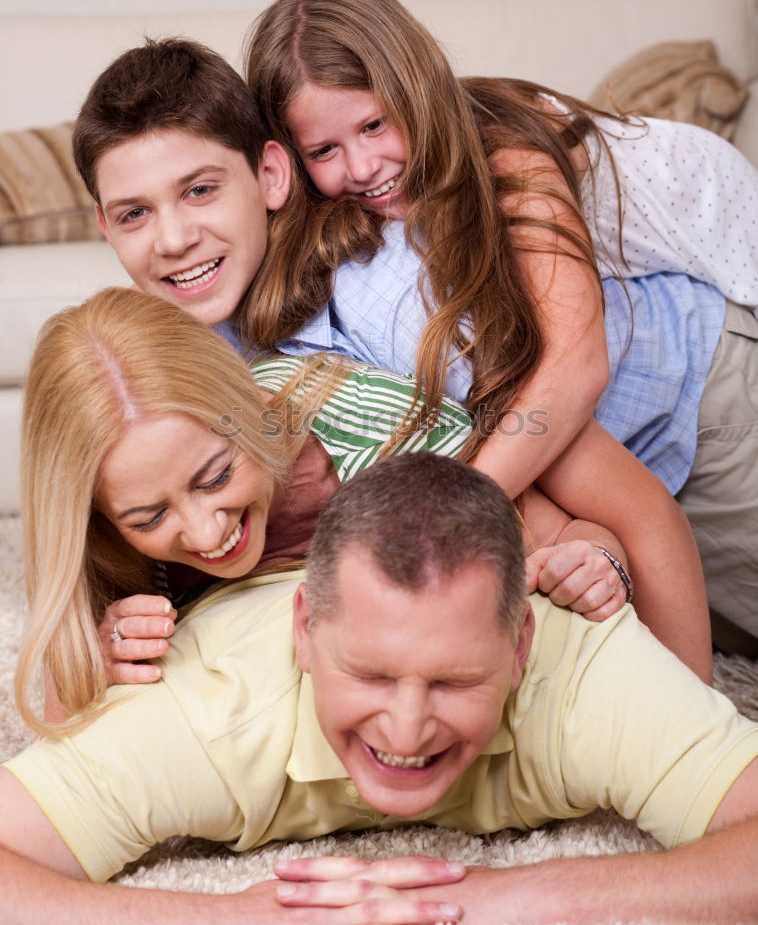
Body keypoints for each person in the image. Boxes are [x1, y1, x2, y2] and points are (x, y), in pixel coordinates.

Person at [73, 37, 722, 676]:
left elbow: (638, 511)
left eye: (199, 191)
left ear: (271, 174)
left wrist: (700, 759)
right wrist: (108, 631)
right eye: (135, 213)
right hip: (611, 480)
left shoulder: (386, 304)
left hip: (708, 406)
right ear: (105, 226)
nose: (175, 239)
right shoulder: (173, 355)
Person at [2, 452, 757, 924]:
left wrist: (529, 897)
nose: (405, 728)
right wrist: (232, 917)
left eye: (455, 680)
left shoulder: (584, 669)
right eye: (369, 674)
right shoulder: (206, 709)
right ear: (304, 631)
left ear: (521, 643)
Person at [19, 287, 632, 735]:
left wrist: (596, 564)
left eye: (217, 477)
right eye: (148, 519)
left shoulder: (372, 431)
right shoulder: (104, 538)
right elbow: (59, 748)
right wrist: (92, 661)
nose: (208, 531)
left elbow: (576, 531)